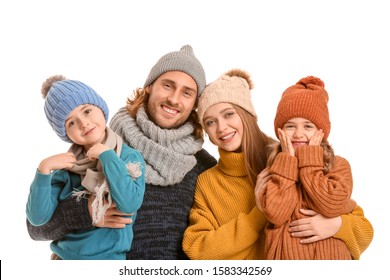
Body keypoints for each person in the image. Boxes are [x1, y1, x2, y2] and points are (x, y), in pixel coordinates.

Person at [26, 45, 217, 259]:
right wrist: (87, 213)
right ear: (149, 87)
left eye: (187, 93)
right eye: (167, 85)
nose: (174, 99)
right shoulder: (107, 143)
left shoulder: (202, 165)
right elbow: (35, 229)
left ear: (195, 104)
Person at [182, 69, 373, 260]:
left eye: (229, 114)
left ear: (247, 115)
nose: (221, 127)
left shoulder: (292, 157)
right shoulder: (208, 182)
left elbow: (363, 228)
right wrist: (258, 214)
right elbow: (198, 249)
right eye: (210, 122)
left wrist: (337, 226)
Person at [26, 75, 145, 260]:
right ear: (66, 134)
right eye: (71, 122)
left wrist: (107, 156)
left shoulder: (128, 158)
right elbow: (37, 220)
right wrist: (43, 169)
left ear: (101, 108)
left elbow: (129, 203)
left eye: (87, 111)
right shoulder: (67, 168)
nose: (83, 123)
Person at [260, 75, 359, 259]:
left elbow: (330, 206)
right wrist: (287, 163)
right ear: (280, 132)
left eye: (308, 126)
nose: (298, 134)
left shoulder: (339, 165)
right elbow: (276, 215)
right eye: (290, 126)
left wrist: (310, 162)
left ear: (321, 132)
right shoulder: (274, 168)